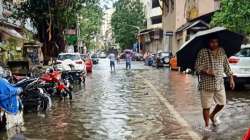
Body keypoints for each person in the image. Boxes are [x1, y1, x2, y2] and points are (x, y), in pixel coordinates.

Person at [195, 36, 235, 130]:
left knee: (222, 103)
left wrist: (231, 78)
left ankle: (212, 115)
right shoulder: (203, 52)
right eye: (212, 42)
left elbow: (226, 66)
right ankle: (206, 125)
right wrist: (206, 71)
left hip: (219, 83)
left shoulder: (222, 51)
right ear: (208, 42)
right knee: (206, 106)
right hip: (206, 84)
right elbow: (197, 66)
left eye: (216, 42)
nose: (214, 44)